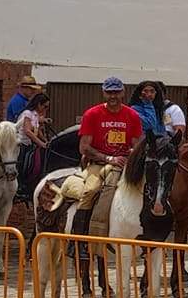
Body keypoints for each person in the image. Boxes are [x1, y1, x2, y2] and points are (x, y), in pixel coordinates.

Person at [61, 77, 142, 221]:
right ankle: (78, 236)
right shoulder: (92, 114)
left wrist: (132, 154)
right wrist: (109, 158)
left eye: (116, 92)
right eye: (109, 92)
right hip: (99, 165)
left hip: (125, 164)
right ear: (104, 93)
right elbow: (84, 147)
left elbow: (137, 145)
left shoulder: (133, 115)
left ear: (123, 92)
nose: (113, 96)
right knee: (90, 191)